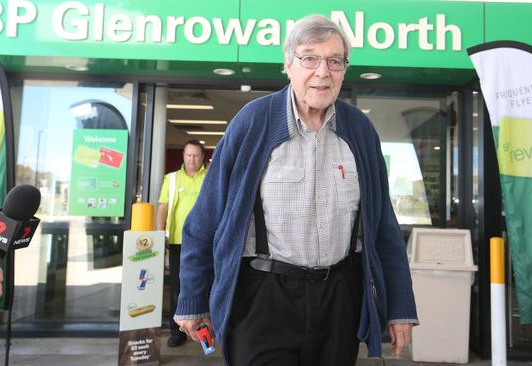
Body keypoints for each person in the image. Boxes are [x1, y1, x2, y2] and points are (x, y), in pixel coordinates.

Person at [175, 14, 418, 365]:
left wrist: (399, 306)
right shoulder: (253, 122)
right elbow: (205, 219)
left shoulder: (360, 131)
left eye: (335, 61)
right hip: (262, 296)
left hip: (339, 297)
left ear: (344, 70)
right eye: (309, 58)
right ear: (288, 64)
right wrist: (193, 299)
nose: (323, 72)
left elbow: (384, 229)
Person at [156, 140, 207, 347]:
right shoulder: (172, 179)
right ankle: (177, 332)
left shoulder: (211, 177)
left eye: (196, 155)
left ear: (202, 157)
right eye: (188, 155)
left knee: (207, 286)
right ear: (183, 156)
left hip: (206, 242)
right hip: (179, 242)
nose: (192, 159)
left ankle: (206, 331)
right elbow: (163, 207)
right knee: (178, 288)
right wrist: (160, 235)